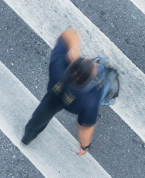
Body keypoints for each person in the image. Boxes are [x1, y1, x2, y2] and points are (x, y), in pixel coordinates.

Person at [21, 28, 115, 156]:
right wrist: (85, 146)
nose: (90, 62)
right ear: (89, 83)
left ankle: (28, 137)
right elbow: (84, 128)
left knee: (41, 115)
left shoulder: (58, 67)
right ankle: (109, 96)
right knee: (107, 81)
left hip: (55, 95)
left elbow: (69, 33)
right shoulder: (91, 100)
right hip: (75, 104)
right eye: (93, 65)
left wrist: (72, 48)